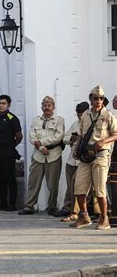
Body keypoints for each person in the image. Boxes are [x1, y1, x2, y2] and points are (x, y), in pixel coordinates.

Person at [71, 86, 117, 230]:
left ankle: (104, 218)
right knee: (79, 186)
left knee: (100, 188)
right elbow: (81, 135)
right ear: (90, 99)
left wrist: (103, 141)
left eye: (101, 98)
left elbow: (116, 134)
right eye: (95, 98)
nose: (98, 101)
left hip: (101, 154)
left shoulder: (108, 115)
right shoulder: (85, 115)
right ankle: (84, 216)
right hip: (86, 155)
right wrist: (76, 149)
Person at [19, 96, 65, 216]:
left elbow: (58, 137)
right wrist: (40, 147)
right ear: (41, 107)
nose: (47, 108)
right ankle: (29, 206)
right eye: (44, 105)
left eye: (49, 105)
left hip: (53, 154)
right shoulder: (36, 120)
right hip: (38, 154)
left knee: (53, 183)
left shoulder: (59, 120)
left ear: (53, 107)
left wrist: (42, 143)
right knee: (33, 182)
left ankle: (52, 207)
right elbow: (31, 136)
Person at [54, 102, 89, 220]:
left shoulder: (91, 124)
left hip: (84, 160)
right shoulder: (75, 124)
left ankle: (79, 211)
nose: (80, 117)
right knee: (71, 186)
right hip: (71, 160)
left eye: (81, 114)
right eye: (78, 114)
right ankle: (68, 207)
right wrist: (71, 138)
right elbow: (64, 138)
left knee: (78, 186)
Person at [0, 95, 23, 211]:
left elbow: (19, 136)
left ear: (8, 105)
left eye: (3, 103)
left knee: (10, 178)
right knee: (0, 178)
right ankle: (2, 203)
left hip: (8, 153)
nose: (1, 105)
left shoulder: (12, 118)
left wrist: (11, 146)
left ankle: (12, 204)